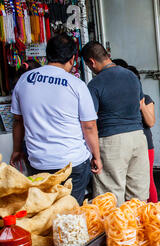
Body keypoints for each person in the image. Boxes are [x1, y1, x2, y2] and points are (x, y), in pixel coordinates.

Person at [10, 34, 102, 205]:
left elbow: (18, 121)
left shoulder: (24, 80)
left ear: (47, 55)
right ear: (72, 59)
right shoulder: (76, 84)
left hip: (38, 162)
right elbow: (89, 126)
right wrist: (96, 156)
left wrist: (16, 150)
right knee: (70, 213)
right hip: (71, 163)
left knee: (44, 211)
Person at [81, 41, 150, 205]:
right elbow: (140, 103)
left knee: (110, 197)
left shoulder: (95, 84)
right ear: (107, 55)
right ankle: (138, 229)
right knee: (138, 195)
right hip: (138, 138)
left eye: (89, 66)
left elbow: (90, 122)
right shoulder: (131, 76)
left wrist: (95, 155)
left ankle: (116, 230)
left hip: (112, 142)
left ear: (91, 62)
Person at [127, 65, 159, 203]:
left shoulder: (146, 99)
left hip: (146, 146)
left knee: (148, 180)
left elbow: (151, 122)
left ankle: (155, 211)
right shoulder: (121, 101)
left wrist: (141, 105)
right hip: (127, 145)